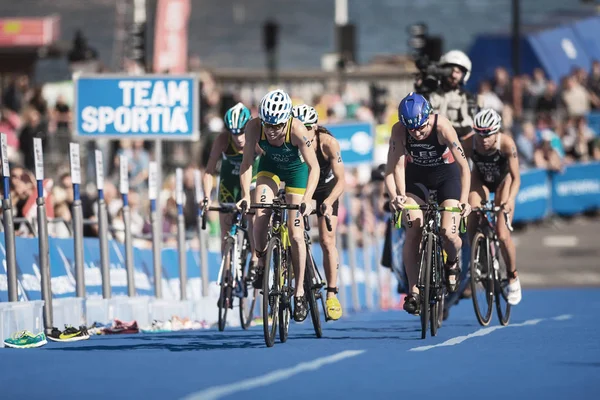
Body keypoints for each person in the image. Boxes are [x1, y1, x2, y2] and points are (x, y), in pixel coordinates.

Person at [384, 92, 471, 315]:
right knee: (413, 227)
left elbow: (463, 166)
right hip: (417, 178)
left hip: (446, 177)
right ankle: (413, 291)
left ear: (428, 117)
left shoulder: (442, 126)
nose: (417, 133)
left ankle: (452, 262)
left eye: (421, 127)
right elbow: (392, 169)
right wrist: (397, 196)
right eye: (412, 129)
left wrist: (463, 202)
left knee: (448, 232)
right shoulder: (399, 130)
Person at [237, 89, 320, 322]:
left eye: (277, 126)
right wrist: (245, 194)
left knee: (295, 234)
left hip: (296, 174)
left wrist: (307, 199)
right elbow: (246, 164)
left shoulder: (297, 129)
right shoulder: (254, 127)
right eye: (269, 125)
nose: (272, 131)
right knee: (260, 212)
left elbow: (315, 168)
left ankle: (300, 291)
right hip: (269, 168)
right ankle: (261, 260)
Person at [293, 104, 345, 320]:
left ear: (315, 126)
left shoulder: (328, 143)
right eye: (299, 126)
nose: (303, 131)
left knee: (326, 240)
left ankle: (331, 294)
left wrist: (329, 201)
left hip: (326, 190)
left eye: (307, 127)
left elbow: (342, 180)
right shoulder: (292, 140)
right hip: (303, 187)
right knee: (292, 233)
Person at [466, 108, 522, 305]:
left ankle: (513, 276)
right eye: (479, 133)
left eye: (487, 134)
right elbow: (460, 168)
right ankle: (478, 257)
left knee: (502, 233)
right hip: (480, 180)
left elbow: (516, 178)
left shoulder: (506, 144)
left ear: (496, 132)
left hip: (502, 183)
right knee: (471, 214)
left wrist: (509, 201)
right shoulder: (469, 142)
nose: (483, 139)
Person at [202, 102, 262, 270]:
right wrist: (207, 197)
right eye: (234, 133)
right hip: (230, 182)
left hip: (253, 180)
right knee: (225, 232)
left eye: (242, 132)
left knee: (253, 215)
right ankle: (227, 275)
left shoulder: (256, 139)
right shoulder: (222, 140)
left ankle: (256, 258)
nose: (239, 138)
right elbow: (209, 171)